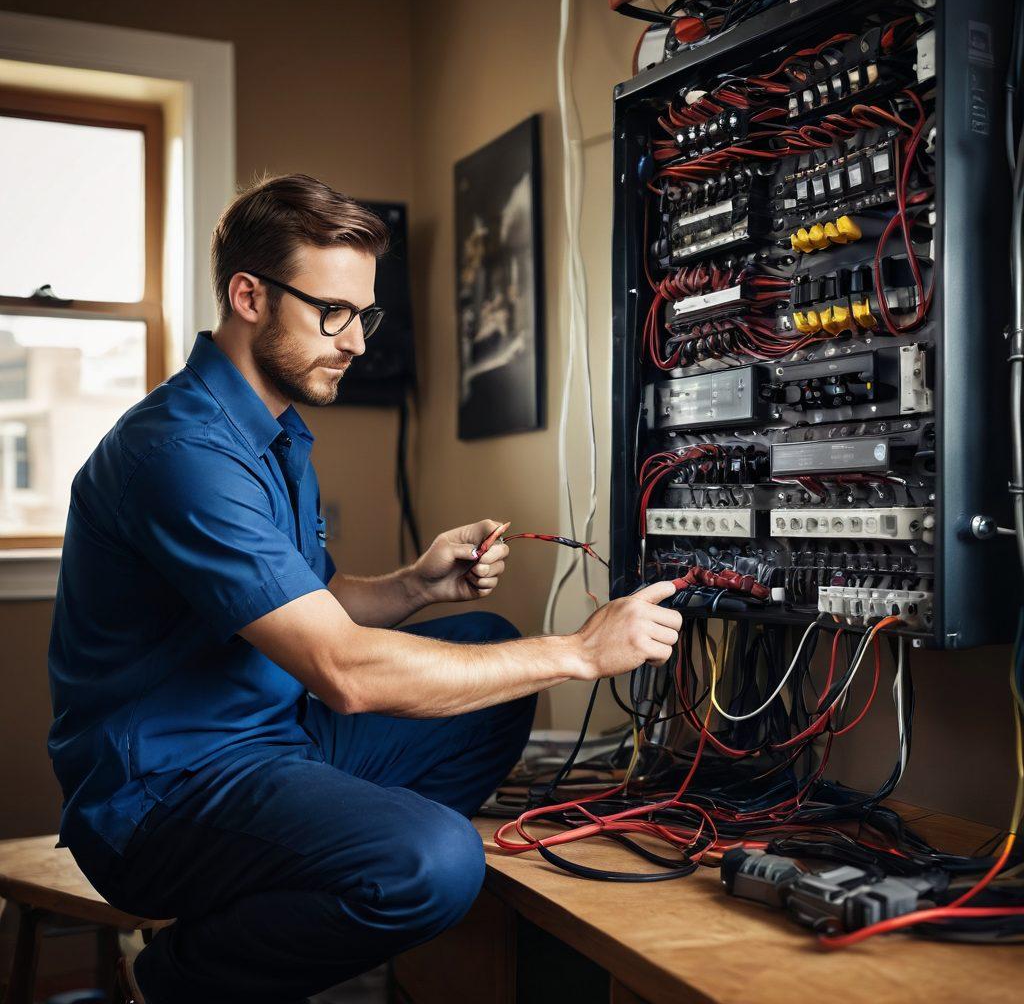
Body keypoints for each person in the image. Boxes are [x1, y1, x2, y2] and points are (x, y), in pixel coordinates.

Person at [47, 173, 682, 1004]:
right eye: (332, 313)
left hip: (277, 737)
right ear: (248, 295)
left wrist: (417, 584)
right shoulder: (180, 454)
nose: (356, 342)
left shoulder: (273, 431)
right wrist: (577, 652)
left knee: (486, 647)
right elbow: (342, 670)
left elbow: (308, 607)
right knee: (434, 859)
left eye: (365, 315)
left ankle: (317, 867)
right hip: (165, 796)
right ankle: (173, 980)